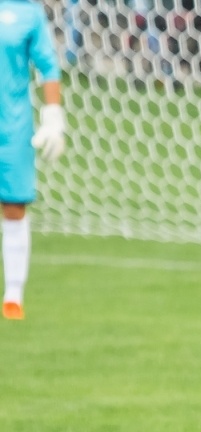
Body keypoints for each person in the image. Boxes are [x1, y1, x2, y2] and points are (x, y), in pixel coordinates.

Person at [0, 0, 65, 320]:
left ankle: (13, 294)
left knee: (13, 205)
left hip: (12, 126)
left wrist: (53, 117)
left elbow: (48, 66)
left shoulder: (27, 12)